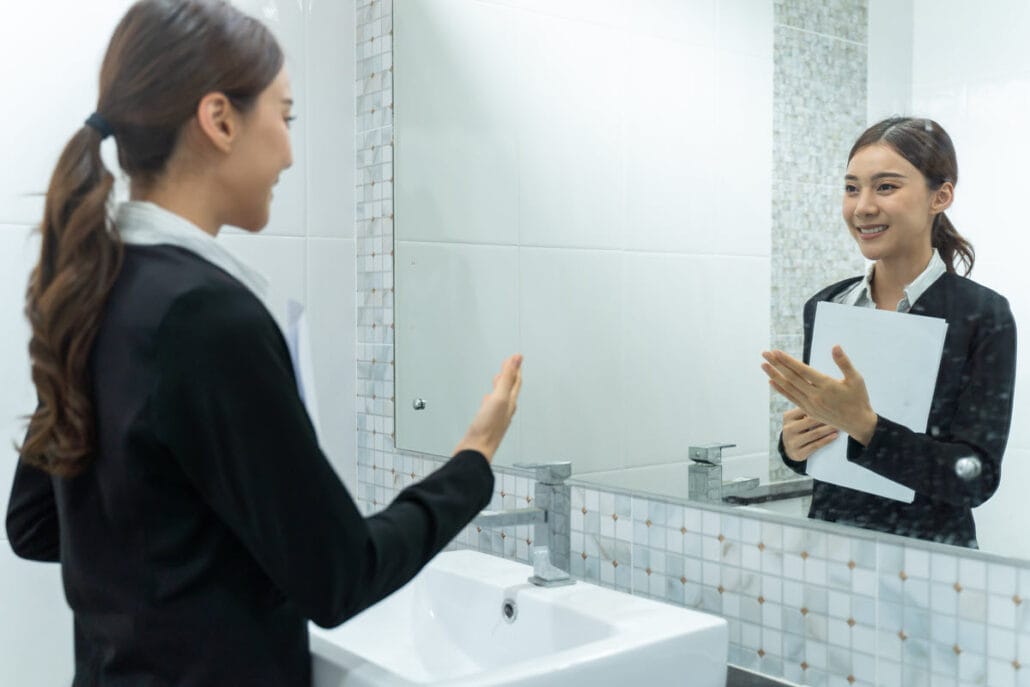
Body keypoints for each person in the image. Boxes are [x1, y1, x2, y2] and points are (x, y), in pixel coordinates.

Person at [5, 1, 522, 685]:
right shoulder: (205, 316)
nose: (289, 150)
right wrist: (473, 461)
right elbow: (341, 577)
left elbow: (37, 525)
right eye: (285, 116)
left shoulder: (95, 287)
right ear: (219, 119)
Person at [760, 116, 1016, 548]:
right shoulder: (827, 306)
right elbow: (822, 457)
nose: (862, 207)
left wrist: (867, 428)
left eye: (885, 187)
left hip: (930, 564)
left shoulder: (982, 316)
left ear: (941, 195)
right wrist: (794, 447)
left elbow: (975, 478)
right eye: (851, 187)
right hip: (831, 553)